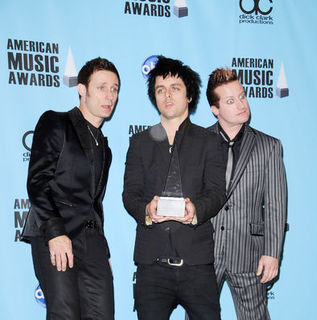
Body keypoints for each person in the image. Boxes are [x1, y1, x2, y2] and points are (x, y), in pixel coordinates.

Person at [122, 56, 226, 320]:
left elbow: (216, 192)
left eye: (175, 88)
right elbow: (129, 194)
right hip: (151, 267)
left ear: (189, 95)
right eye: (160, 90)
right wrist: (146, 209)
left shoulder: (209, 142)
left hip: (198, 265)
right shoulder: (139, 142)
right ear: (154, 97)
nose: (167, 95)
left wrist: (196, 211)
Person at [21, 57, 120, 319]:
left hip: (92, 242)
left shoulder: (105, 148)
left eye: (114, 88)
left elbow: (93, 203)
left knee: (103, 315)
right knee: (65, 313)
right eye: (101, 87)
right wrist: (55, 233)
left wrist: (103, 250)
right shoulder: (56, 122)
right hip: (56, 232)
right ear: (82, 89)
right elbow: (38, 181)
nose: (109, 95)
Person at [206, 67, 287, 319]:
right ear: (215, 109)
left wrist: (272, 253)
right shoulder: (197, 143)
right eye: (230, 100)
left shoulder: (269, 146)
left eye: (242, 96)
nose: (241, 104)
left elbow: (275, 204)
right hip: (204, 253)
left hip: (249, 253)